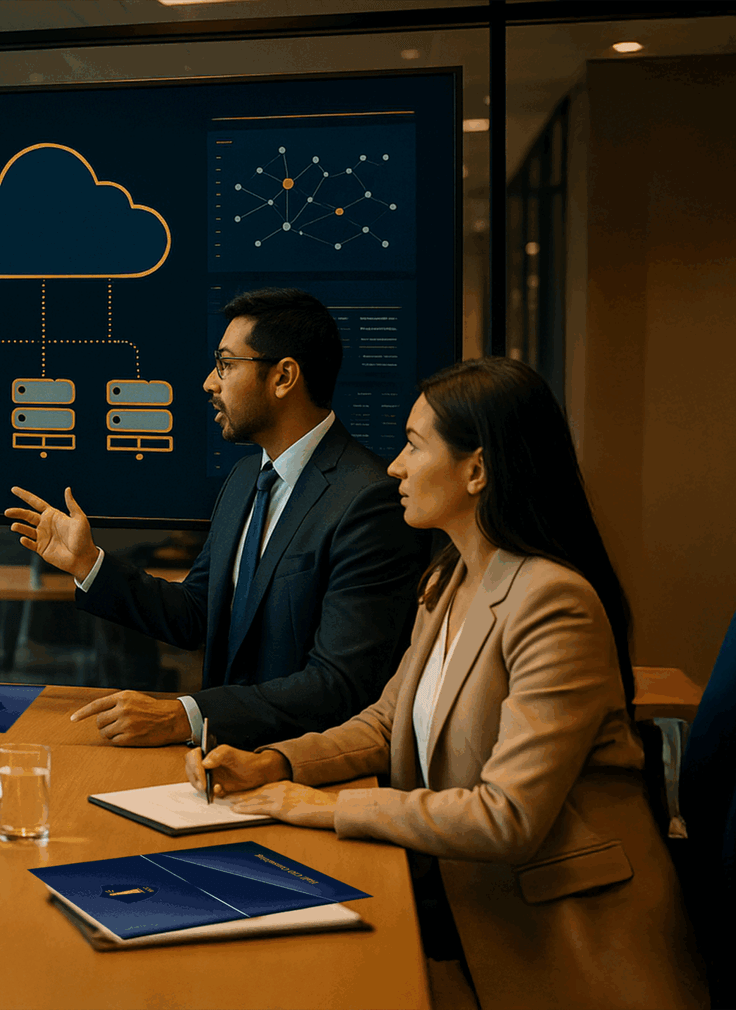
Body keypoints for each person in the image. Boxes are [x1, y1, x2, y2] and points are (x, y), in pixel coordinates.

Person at [194, 357, 706, 1009]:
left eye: (412, 446)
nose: (394, 467)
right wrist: (274, 764)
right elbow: (387, 723)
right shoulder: (451, 579)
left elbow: (508, 818)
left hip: (558, 936)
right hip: (464, 903)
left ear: (478, 469)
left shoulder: (554, 603)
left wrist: (323, 807)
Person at [5, 287, 424, 749]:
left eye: (226, 364)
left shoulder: (368, 501)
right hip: (222, 763)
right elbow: (198, 613)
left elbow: (341, 684)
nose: (209, 382)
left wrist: (186, 716)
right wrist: (89, 564)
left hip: (303, 772)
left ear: (283, 376)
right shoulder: (247, 477)